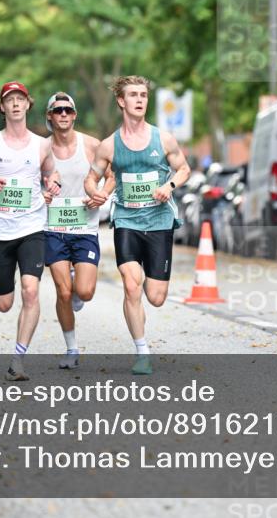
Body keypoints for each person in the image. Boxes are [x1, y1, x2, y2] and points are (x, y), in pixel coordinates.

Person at [85, 76, 191, 376]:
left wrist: (169, 185)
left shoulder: (164, 139)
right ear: (121, 101)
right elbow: (92, 177)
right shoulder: (109, 146)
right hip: (127, 221)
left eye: (143, 94)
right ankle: (142, 351)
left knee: (155, 297)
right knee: (132, 286)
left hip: (159, 221)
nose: (139, 100)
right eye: (133, 95)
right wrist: (97, 192)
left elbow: (184, 169)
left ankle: (149, 283)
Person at [0, 81, 60, 381]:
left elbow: (51, 172)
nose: (15, 104)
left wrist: (53, 184)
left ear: (28, 105)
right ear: (2, 107)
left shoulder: (42, 144)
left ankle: (17, 360)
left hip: (32, 227)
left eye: (20, 99)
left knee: (31, 292)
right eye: (9, 100)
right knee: (4, 303)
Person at [44, 92, 115, 369]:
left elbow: (111, 176)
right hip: (53, 228)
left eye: (68, 110)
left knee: (83, 292)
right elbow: (29, 182)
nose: (63, 115)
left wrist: (102, 194)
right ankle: (71, 349)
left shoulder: (91, 145)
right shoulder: (41, 149)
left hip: (85, 228)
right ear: (50, 116)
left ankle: (77, 287)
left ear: (74, 115)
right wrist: (42, 195)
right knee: (62, 292)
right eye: (58, 110)